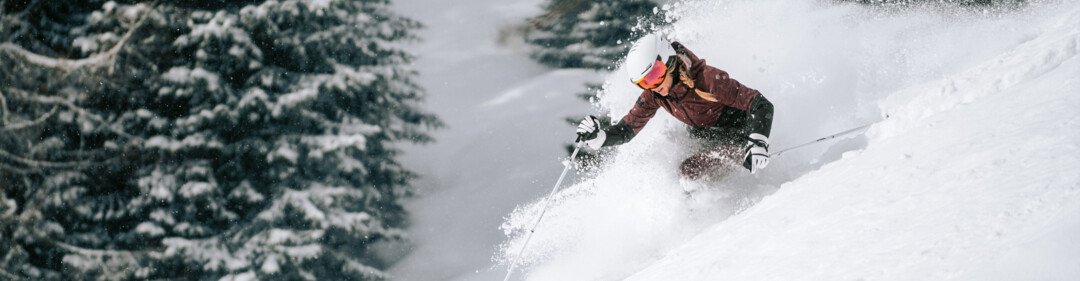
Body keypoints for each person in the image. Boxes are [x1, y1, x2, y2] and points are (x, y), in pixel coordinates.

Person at [575, 34, 774, 180]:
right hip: (709, 138)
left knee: (688, 172)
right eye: (644, 83)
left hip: (742, 138)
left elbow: (761, 104)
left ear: (669, 61)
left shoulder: (708, 80)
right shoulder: (656, 94)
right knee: (675, 173)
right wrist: (600, 137)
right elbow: (627, 129)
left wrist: (757, 142)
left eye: (654, 75)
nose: (653, 86)